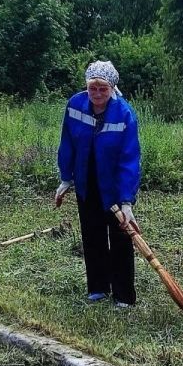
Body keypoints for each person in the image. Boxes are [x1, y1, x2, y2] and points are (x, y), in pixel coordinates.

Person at [55, 61, 142, 308]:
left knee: (120, 238)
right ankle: (98, 288)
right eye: (93, 88)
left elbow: (130, 159)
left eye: (103, 88)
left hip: (114, 187)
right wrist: (66, 178)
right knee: (92, 235)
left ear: (113, 88)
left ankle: (123, 295)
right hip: (86, 182)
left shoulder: (124, 114)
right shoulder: (75, 105)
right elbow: (68, 143)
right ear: (86, 87)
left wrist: (126, 202)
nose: (97, 94)